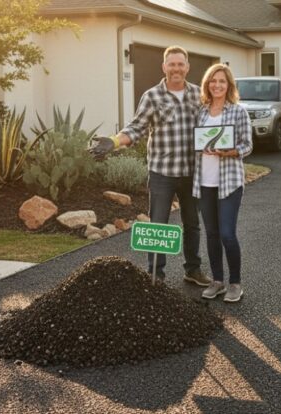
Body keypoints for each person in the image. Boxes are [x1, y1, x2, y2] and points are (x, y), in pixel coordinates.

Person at [90, 45, 211, 286]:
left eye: (180, 64)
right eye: (172, 64)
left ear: (187, 67)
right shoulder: (152, 96)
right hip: (162, 174)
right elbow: (136, 128)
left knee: (193, 225)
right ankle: (156, 275)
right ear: (164, 67)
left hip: (191, 172)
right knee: (158, 226)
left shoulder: (198, 95)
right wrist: (114, 142)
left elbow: (211, 127)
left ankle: (193, 270)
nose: (176, 68)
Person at [194, 63, 253, 303]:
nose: (217, 85)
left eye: (222, 81)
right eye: (213, 81)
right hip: (205, 182)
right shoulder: (201, 112)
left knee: (227, 234)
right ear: (207, 84)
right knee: (212, 234)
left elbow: (248, 145)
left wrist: (230, 152)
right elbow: (197, 142)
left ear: (229, 85)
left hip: (229, 182)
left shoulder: (238, 112)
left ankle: (235, 283)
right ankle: (217, 281)